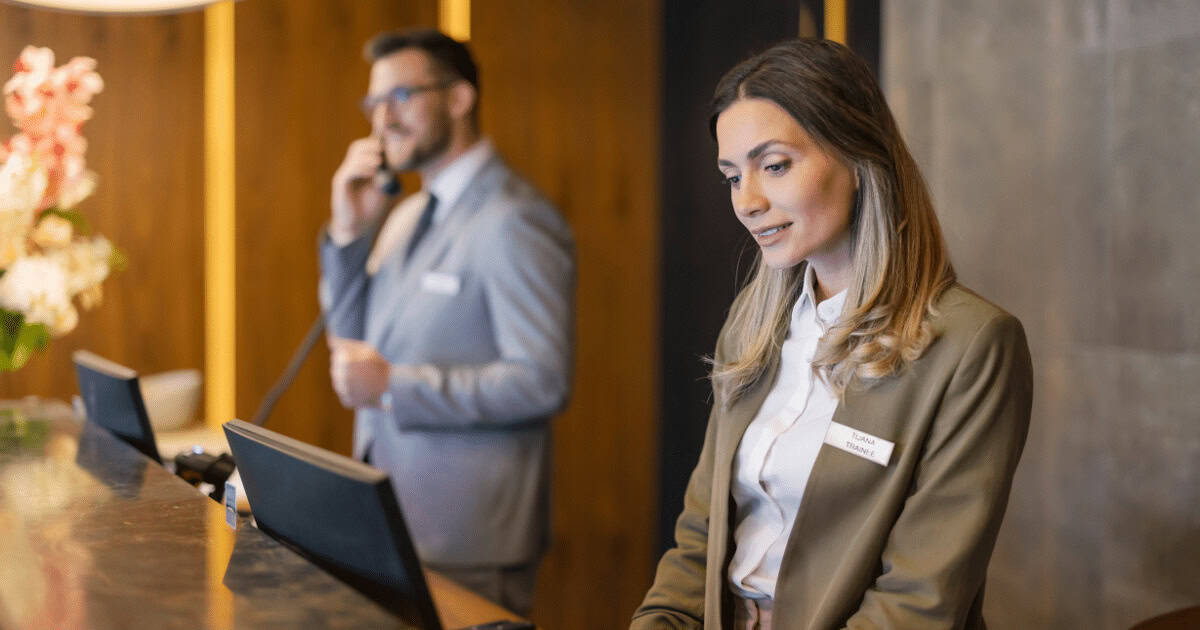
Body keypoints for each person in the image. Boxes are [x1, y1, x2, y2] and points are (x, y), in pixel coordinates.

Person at [632, 38, 1032, 630]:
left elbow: (920, 600)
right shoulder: (752, 323)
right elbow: (700, 535)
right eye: (731, 177)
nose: (748, 201)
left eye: (773, 166)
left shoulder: (974, 344)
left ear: (858, 158)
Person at [318, 28, 575, 615]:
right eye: (374, 103)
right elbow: (349, 343)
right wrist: (348, 233)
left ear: (458, 99)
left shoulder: (516, 218)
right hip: (387, 521)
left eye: (401, 96)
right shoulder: (404, 213)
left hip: (469, 541)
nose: (382, 119)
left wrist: (394, 386)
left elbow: (542, 380)